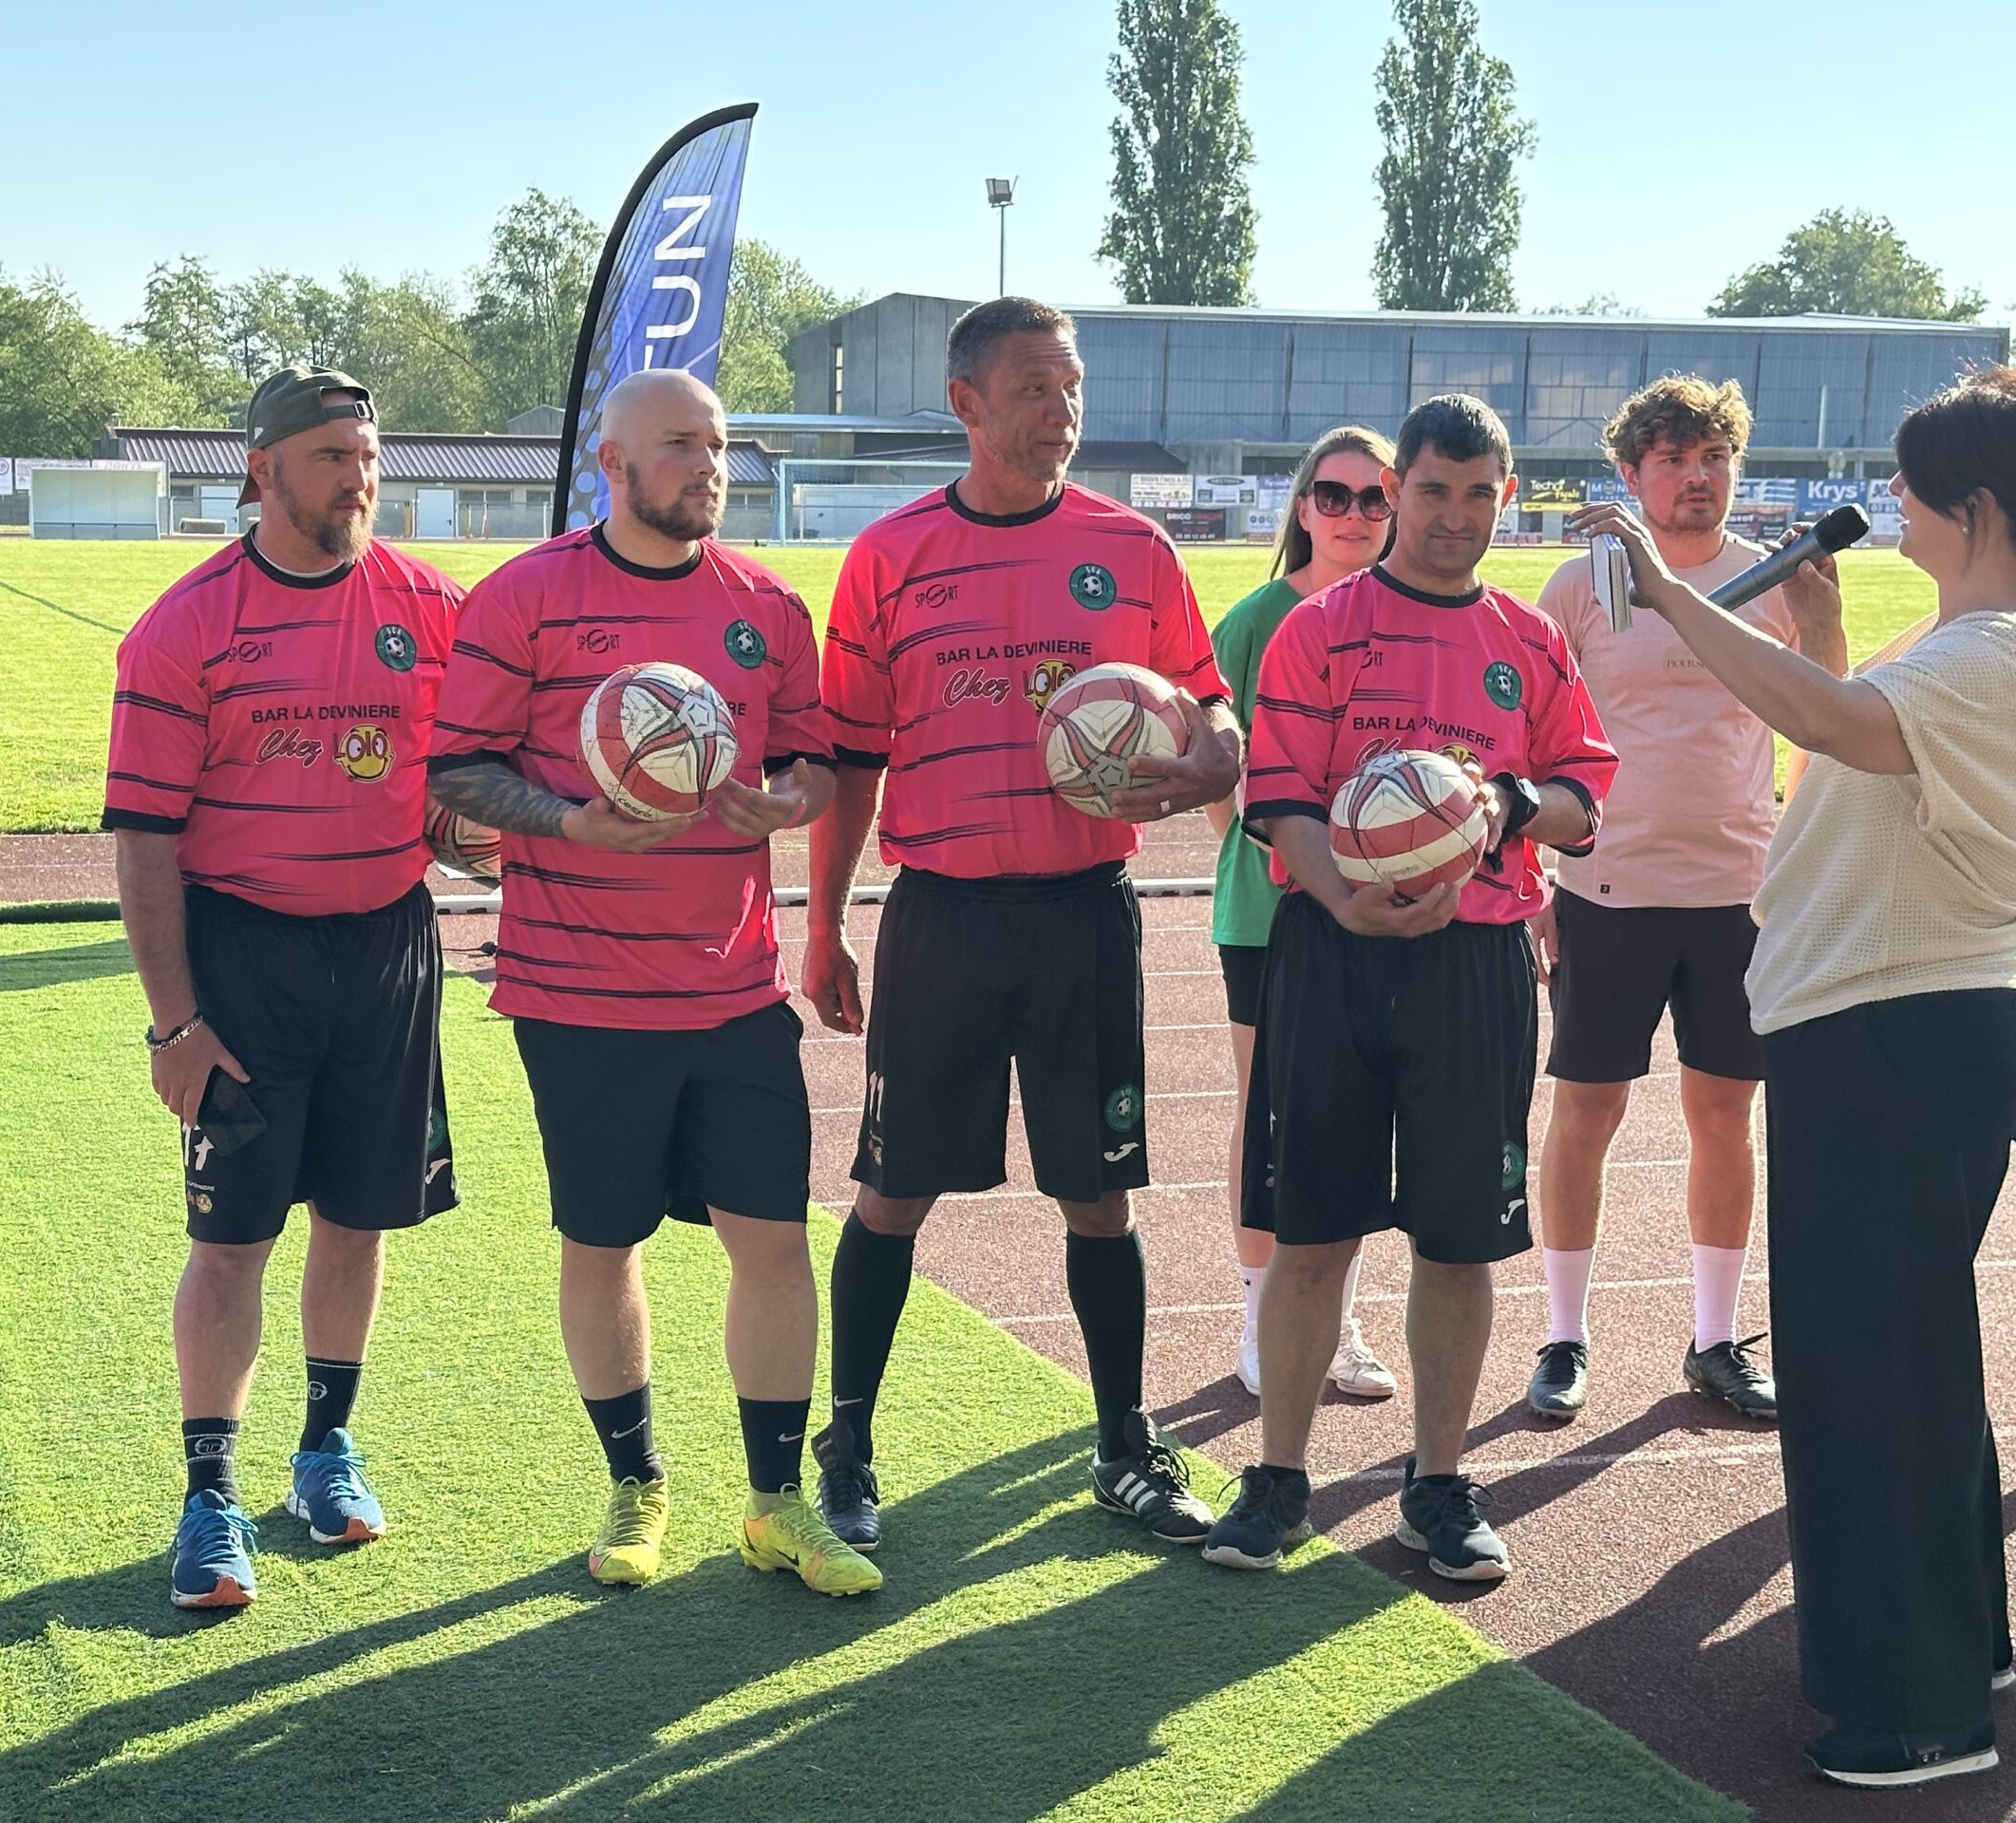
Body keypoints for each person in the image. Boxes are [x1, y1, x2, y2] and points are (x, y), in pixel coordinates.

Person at [1573, 366, 2016, 1789]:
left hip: (1895, 1030)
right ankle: (1951, 1655)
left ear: (1974, 507)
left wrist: (1672, 593)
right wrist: (1814, 630)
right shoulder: (1984, 637)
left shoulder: (1997, 651)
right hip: (1895, 1022)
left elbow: (1827, 728)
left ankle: (1912, 1712)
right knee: (1906, 1360)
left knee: (1869, 1371)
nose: (1891, 509)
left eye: (1910, 490)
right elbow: (1858, 729)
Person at [428, 370, 878, 1598]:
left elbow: (816, 761)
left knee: (772, 1241)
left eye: (719, 445)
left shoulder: (767, 606)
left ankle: (776, 1506)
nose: (709, 466)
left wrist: (788, 797)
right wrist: (570, 822)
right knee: (602, 1240)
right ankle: (635, 1484)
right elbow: (456, 770)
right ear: (613, 465)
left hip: (733, 988)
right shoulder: (525, 596)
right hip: (578, 994)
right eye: (681, 444)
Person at [803, 296, 1240, 1553]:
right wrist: (824, 924)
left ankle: (1122, 1447)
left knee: (1098, 1196)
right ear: (968, 403)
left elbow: (1210, 708)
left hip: (1082, 917)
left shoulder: (1133, 549)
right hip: (941, 916)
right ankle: (849, 1442)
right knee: (892, 1190)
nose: (1063, 410)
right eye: (1036, 387)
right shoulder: (888, 558)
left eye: (1072, 386)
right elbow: (849, 762)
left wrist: (1211, 762)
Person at [1204, 394, 1616, 1582]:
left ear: (1505, 498)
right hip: (1331, 953)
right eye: (1433, 490)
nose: (1454, 515)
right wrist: (1345, 897)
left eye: (1480, 494)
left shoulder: (1528, 642)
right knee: (1311, 1229)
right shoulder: (1320, 628)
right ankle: (1278, 1481)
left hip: (1473, 962)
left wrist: (1507, 805)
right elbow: (1280, 793)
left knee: (1458, 1239)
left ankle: (1435, 1486)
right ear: (1397, 493)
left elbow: (1584, 798)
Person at [104, 366, 462, 1610]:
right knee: (232, 1238)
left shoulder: (433, 606)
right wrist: (176, 1021)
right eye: (331, 458)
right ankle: (209, 1494)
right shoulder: (184, 627)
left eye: (368, 455)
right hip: (245, 957)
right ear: (263, 472)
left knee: (360, 1217)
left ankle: (324, 1449)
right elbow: (145, 842)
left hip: (390, 949)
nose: (359, 479)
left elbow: (459, 791)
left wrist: (479, 832)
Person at [1529, 378, 1845, 1421]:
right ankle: (1563, 1335)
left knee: (1723, 1116)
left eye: (1713, 456)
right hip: (1604, 890)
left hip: (1736, 897)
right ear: (1631, 474)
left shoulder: (1773, 578)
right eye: (1671, 458)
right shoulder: (1581, 585)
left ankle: (1714, 1339)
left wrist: (1825, 619)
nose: (1696, 476)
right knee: (1586, 1114)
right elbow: (1529, 738)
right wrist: (1532, 879)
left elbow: (1827, 708)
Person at [1210, 427, 1399, 1402]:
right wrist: (1278, 852)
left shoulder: (1410, 616)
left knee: (1356, 1117)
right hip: (1268, 913)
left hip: (1377, 909)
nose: (1354, 515)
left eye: (1375, 497)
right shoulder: (1255, 621)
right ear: (1301, 507)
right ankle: (1259, 1317)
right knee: (1269, 1113)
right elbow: (1221, 778)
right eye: (1334, 495)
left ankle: (1338, 1321)